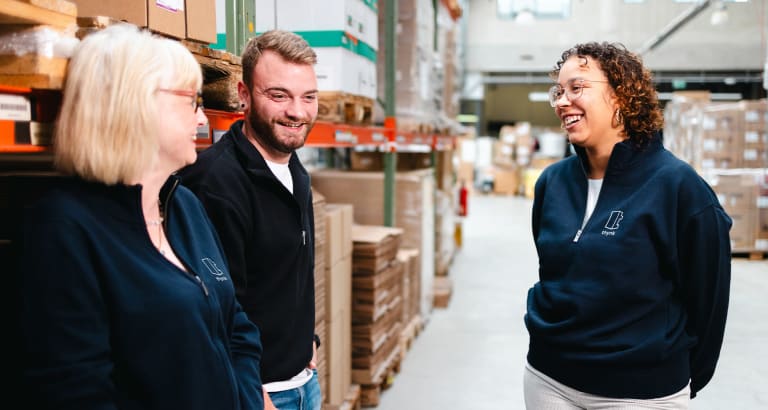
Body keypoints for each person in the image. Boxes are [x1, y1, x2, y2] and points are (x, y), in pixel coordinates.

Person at [17, 24, 265, 409]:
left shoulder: (184, 206)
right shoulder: (64, 231)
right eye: (192, 102)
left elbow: (237, 327)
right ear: (137, 103)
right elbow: (74, 392)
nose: (202, 120)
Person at [524, 42, 732, 409]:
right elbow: (552, 272)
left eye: (577, 88)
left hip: (639, 392)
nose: (561, 101)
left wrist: (674, 377)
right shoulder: (552, 183)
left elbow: (708, 305)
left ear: (621, 95)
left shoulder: (679, 188)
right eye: (558, 91)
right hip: (548, 380)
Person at [179, 30, 321, 410]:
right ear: (243, 95)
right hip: (262, 395)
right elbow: (212, 309)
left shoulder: (292, 169)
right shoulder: (215, 184)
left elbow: (290, 272)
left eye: (308, 97)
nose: (297, 112)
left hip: (304, 383)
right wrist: (252, 393)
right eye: (279, 95)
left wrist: (308, 339)